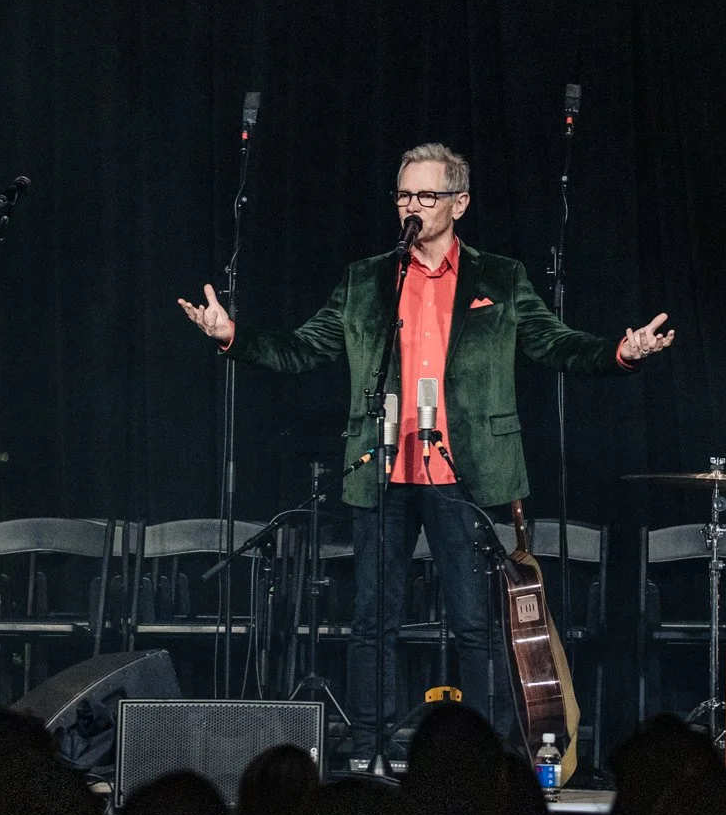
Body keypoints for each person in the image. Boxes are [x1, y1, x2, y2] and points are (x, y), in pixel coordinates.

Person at [180, 142, 674, 763]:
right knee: (372, 622)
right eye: (403, 195)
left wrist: (622, 353)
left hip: (463, 473)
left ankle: (485, 754)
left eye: (426, 195)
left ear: (459, 203)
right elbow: (303, 348)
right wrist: (232, 336)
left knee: (475, 623)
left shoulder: (500, 278)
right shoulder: (367, 279)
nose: (411, 207)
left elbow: (555, 344)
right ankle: (370, 748)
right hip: (382, 469)